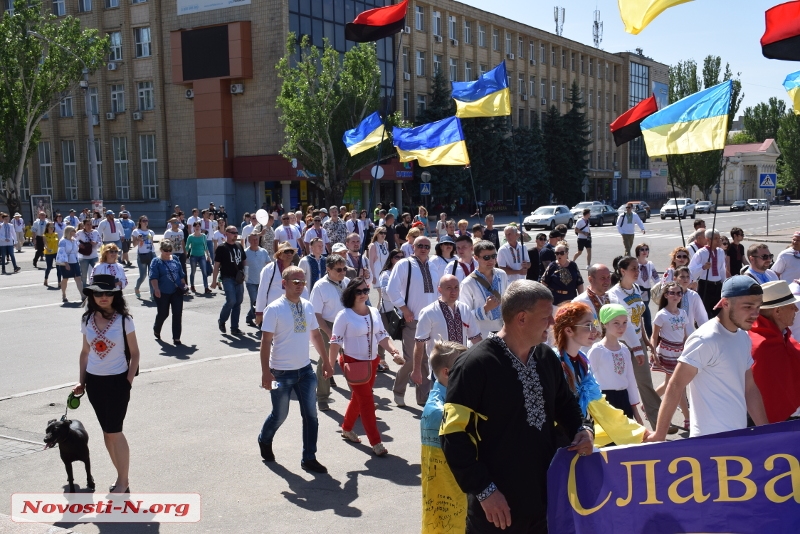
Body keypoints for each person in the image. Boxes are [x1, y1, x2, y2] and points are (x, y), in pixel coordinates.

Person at [441, 281, 592, 533]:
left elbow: (566, 404)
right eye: (546, 317)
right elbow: (453, 435)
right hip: (497, 508)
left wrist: (582, 428)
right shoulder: (474, 365)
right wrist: (484, 490)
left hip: (545, 499)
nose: (552, 324)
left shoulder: (545, 358)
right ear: (521, 318)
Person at [647, 276, 768, 441]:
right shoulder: (705, 339)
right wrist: (660, 435)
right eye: (747, 306)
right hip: (708, 442)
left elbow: (750, 388)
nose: (755, 314)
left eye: (758, 307)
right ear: (725, 304)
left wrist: (766, 432)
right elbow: (675, 386)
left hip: (737, 437)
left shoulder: (743, 337)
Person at [257, 267, 330, 473]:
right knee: (280, 415)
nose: (299, 285)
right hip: (280, 372)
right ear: (284, 283)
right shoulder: (274, 309)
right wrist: (265, 373)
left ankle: (309, 457)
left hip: (305, 371)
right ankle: (264, 439)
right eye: (295, 282)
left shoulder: (307, 306)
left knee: (311, 416)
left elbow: (315, 336)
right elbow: (265, 343)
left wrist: (325, 360)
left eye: (302, 282)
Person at [72, 274, 139, 494]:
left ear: (114, 295)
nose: (103, 297)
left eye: (108, 293)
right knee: (106, 432)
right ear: (91, 294)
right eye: (98, 293)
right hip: (94, 383)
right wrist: (81, 382)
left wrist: (127, 382)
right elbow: (84, 352)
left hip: (118, 381)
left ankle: (123, 479)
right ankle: (121, 476)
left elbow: (136, 354)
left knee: (115, 431)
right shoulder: (86, 319)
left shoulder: (123, 319)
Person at [554, 302, 649, 446]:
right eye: (588, 326)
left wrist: (638, 432)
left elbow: (598, 404)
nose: (594, 331)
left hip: (577, 434)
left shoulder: (582, 362)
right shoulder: (553, 363)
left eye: (594, 324)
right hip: (556, 439)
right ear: (569, 330)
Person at [329, 277, 402, 455]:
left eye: (366, 291)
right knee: (368, 402)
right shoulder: (344, 315)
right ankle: (376, 442)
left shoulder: (373, 312)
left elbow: (382, 335)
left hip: (372, 362)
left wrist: (394, 352)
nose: (363, 294)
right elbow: (335, 342)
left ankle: (346, 428)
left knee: (358, 399)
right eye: (359, 291)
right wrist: (329, 365)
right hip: (353, 363)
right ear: (351, 293)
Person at [608, 256, 663, 429]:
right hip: (621, 345)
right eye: (633, 268)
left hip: (638, 341)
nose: (637, 271)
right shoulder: (613, 294)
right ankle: (626, 426)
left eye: (638, 268)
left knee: (645, 383)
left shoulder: (637, 289)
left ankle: (659, 423)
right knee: (624, 385)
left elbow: (638, 319)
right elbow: (620, 322)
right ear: (622, 271)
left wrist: (645, 340)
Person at [386, 235, 442, 406]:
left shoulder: (433, 266)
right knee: (411, 360)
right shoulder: (404, 264)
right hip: (412, 319)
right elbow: (391, 289)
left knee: (427, 359)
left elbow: (439, 292)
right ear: (413, 247)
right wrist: (404, 309)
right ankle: (398, 390)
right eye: (420, 245)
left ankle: (423, 397)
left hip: (431, 320)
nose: (424, 248)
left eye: (427, 245)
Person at [420, 340, 468, 533]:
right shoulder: (438, 413)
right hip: (449, 499)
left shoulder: (453, 398)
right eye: (465, 369)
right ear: (446, 373)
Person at [411, 274, 482, 387]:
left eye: (456, 287)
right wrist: (416, 370)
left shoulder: (464, 309)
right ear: (440, 289)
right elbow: (419, 344)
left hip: (461, 367)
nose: (453, 291)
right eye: (449, 288)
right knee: (441, 403)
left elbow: (476, 338)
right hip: (440, 371)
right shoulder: (428, 312)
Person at [748, 280, 800, 423]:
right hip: (765, 423)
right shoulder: (761, 345)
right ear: (777, 311)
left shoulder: (781, 335)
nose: (796, 310)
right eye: (791, 306)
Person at [587, 304, 644, 420]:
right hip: (604, 401)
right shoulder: (597, 350)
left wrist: (636, 412)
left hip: (624, 398)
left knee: (628, 437)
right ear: (605, 323)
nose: (621, 327)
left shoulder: (624, 349)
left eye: (624, 323)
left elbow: (630, 380)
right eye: (616, 323)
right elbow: (588, 380)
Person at [309, 254, 349, 411]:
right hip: (327, 326)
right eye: (338, 269)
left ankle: (358, 397)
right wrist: (328, 331)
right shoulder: (320, 286)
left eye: (344, 268)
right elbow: (316, 314)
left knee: (352, 360)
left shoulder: (345, 282)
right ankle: (322, 396)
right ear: (328, 269)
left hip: (346, 325)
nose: (342, 272)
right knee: (326, 361)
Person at [650, 281, 690, 430]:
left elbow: (685, 335)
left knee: (670, 384)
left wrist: (687, 349)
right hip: (667, 352)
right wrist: (653, 351)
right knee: (679, 386)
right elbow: (654, 336)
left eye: (679, 293)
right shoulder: (662, 314)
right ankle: (687, 419)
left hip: (680, 352)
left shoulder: (683, 313)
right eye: (672, 293)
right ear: (666, 295)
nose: (676, 295)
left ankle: (650, 403)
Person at [459, 240, 509, 340]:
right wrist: (485, 308)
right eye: (486, 257)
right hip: (481, 336)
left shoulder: (502, 274)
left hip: (504, 332)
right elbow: (464, 316)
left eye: (494, 256)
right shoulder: (467, 283)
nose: (491, 260)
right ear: (476, 258)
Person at [255, 242, 308, 323]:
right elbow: (262, 291)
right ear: (279, 254)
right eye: (286, 251)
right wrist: (259, 312)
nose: (289, 254)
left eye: (291, 252)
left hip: (292, 310)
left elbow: (303, 289)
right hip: (273, 310)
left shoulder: (296, 270)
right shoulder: (269, 269)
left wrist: (305, 308)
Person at [149, 240, 187, 345]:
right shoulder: (156, 261)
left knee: (177, 313)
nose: (168, 252)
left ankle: (176, 337)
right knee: (163, 313)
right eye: (166, 250)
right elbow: (153, 277)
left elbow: (181, 274)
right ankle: (157, 328)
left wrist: (184, 287)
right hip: (162, 292)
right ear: (161, 250)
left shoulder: (175, 258)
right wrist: (156, 289)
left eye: (170, 250)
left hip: (176, 291)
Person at [212, 225, 247, 335]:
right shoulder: (222, 248)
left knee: (238, 302)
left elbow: (244, 260)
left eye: (236, 232)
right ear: (226, 234)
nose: (235, 234)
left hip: (239, 278)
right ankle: (222, 320)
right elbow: (217, 265)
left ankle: (234, 328)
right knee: (231, 300)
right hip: (227, 278)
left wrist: (246, 274)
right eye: (232, 232)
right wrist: (214, 281)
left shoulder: (239, 245)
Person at [689, 229, 727, 318]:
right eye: (716, 238)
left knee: (718, 311)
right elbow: (691, 269)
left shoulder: (721, 252)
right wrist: (702, 267)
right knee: (705, 312)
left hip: (717, 285)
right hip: (706, 285)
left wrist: (724, 283)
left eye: (719, 238)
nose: (719, 241)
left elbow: (722, 269)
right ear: (708, 240)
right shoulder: (701, 253)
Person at [243, 233, 272, 328]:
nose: (255, 241)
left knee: (260, 302)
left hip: (262, 282)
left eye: (257, 239)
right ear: (249, 241)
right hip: (250, 282)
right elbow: (242, 266)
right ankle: (260, 322)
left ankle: (249, 317)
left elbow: (269, 264)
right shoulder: (245, 252)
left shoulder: (263, 251)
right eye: (253, 240)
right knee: (255, 301)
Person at [673, 266, 708, 335]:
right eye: (682, 277)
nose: (685, 279)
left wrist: (706, 333)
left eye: (687, 277)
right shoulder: (669, 294)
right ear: (675, 278)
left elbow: (701, 317)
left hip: (688, 335)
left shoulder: (693, 295)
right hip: (671, 335)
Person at [634, 242, 659, 337]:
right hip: (636, 290)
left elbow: (656, 277)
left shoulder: (650, 264)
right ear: (638, 252)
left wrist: (663, 286)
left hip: (646, 291)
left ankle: (645, 336)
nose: (644, 251)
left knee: (642, 312)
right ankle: (650, 337)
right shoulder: (634, 264)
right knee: (646, 315)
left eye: (646, 249)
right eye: (642, 249)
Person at [131, 216, 155, 299]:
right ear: (140, 222)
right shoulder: (136, 231)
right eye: (144, 220)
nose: (145, 222)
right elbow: (134, 245)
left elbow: (151, 243)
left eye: (146, 220)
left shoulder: (150, 232)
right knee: (143, 275)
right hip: (142, 255)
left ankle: (152, 294)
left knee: (152, 275)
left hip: (151, 254)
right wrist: (138, 239)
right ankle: (137, 288)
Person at [56, 226, 82, 302]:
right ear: (69, 232)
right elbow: (62, 252)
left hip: (75, 261)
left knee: (78, 278)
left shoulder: (74, 240)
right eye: (73, 231)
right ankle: (64, 295)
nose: (75, 232)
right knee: (65, 279)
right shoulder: (63, 241)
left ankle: (82, 295)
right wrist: (66, 263)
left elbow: (77, 250)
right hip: (66, 262)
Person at [186, 222, 212, 294]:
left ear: (200, 227)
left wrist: (208, 256)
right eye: (196, 226)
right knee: (193, 272)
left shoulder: (203, 236)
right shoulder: (191, 237)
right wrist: (185, 255)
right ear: (193, 228)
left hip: (202, 255)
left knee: (204, 272)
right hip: (193, 256)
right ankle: (192, 286)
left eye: (198, 226)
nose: (197, 228)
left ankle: (206, 287)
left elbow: (205, 246)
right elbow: (187, 246)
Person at [76, 221, 101, 288]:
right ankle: (84, 288)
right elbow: (74, 240)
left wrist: (95, 243)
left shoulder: (95, 232)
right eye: (87, 224)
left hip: (94, 256)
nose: (89, 226)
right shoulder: (79, 233)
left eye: (90, 224)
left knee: (97, 272)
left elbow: (100, 242)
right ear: (84, 225)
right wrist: (79, 244)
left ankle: (96, 286)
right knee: (83, 274)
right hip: (83, 257)